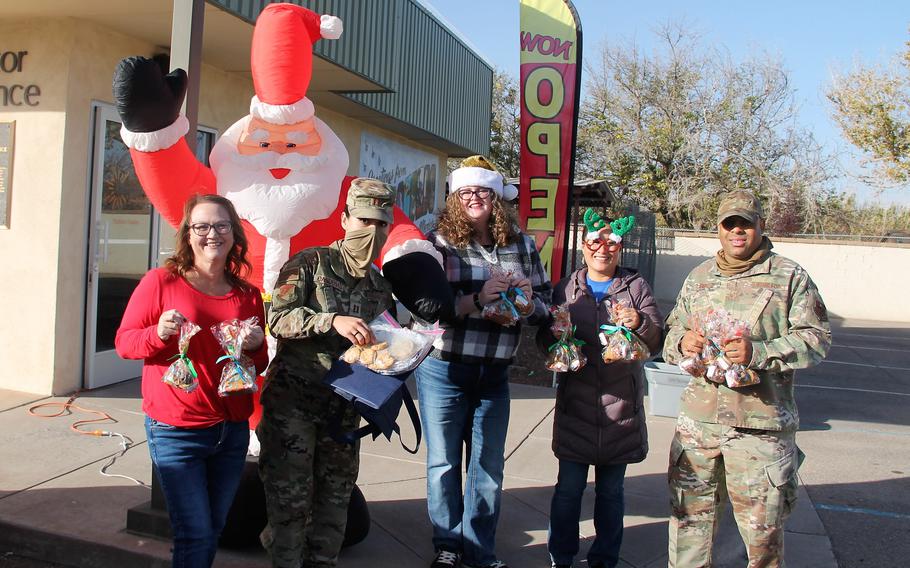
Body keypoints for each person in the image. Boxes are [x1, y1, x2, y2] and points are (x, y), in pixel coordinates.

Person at [663, 190, 831, 567]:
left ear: (760, 226)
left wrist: (759, 352)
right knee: (688, 525)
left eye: (745, 223)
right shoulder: (699, 277)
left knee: (762, 538)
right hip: (699, 425)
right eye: (729, 224)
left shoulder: (788, 276)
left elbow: (816, 339)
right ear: (719, 230)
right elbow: (672, 332)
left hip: (760, 427)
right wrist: (682, 342)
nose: (737, 231)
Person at [115, 194, 268, 568]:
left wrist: (257, 345)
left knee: (213, 526)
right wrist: (159, 333)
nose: (211, 233)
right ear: (188, 234)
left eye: (221, 225)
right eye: (201, 226)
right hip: (176, 429)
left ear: (234, 234)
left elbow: (256, 364)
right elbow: (124, 342)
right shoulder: (161, 282)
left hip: (231, 431)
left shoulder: (247, 295)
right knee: (195, 531)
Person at [417, 156, 552, 568]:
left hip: (494, 372)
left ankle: (479, 549)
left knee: (488, 467)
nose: (475, 198)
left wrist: (528, 303)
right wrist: (479, 299)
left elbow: (546, 304)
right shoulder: (437, 241)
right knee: (443, 463)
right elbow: (427, 310)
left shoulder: (522, 244)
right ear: (455, 199)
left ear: (496, 198)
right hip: (444, 368)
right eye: (466, 192)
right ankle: (447, 545)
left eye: (483, 192)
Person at [257, 178, 399, 568]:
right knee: (290, 503)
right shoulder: (309, 263)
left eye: (381, 224)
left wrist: (399, 355)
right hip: (293, 404)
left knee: (335, 504)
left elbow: (384, 348)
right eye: (364, 221)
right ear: (345, 219)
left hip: (343, 412)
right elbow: (277, 319)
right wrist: (329, 320)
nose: (371, 232)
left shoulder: (380, 287)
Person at [538, 210, 663, 568]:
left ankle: (604, 559)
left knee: (610, 492)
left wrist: (639, 322)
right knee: (567, 491)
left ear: (620, 249)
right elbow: (543, 340)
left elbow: (656, 340)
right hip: (575, 406)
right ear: (584, 247)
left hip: (619, 408)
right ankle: (560, 557)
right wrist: (555, 334)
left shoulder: (635, 287)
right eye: (595, 242)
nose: (603, 249)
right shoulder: (565, 287)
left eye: (612, 243)